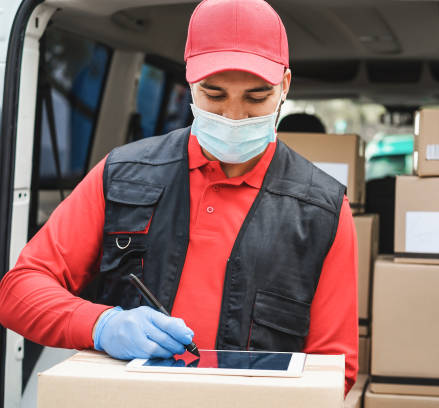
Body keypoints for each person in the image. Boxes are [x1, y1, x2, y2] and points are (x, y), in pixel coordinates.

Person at [0, 0, 358, 394]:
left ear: (285, 86)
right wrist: (102, 325)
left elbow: (333, 371)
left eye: (256, 99)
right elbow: (18, 291)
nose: (234, 117)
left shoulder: (322, 208)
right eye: (214, 95)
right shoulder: (121, 175)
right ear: (190, 81)